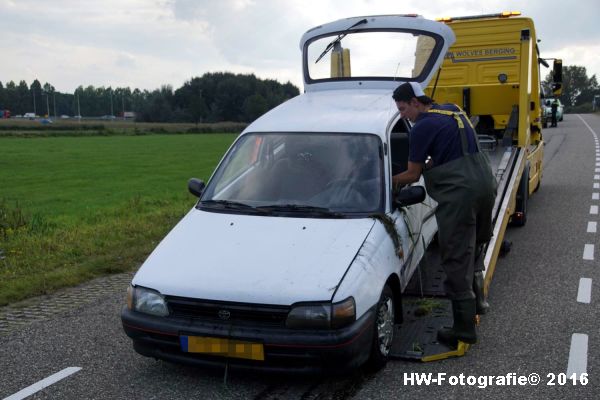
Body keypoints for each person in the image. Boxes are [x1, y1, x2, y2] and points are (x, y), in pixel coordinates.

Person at [391, 82, 497, 348]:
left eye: (404, 109)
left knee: (456, 256)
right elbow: (454, 148)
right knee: (477, 243)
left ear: (416, 102)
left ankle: (464, 329)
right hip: (485, 183)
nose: (403, 115)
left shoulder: (421, 127)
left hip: (460, 193)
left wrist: (387, 182)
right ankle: (479, 303)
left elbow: (412, 175)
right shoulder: (452, 111)